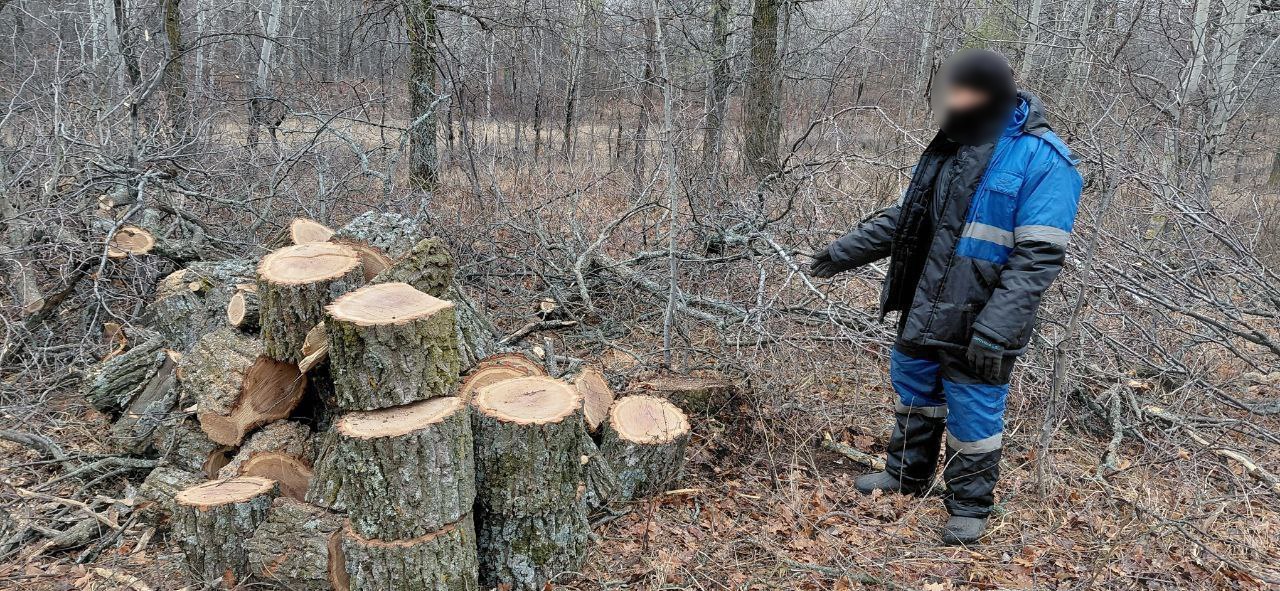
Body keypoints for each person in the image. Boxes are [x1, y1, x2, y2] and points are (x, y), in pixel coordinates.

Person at [808, 49, 1083, 545]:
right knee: (915, 388)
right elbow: (911, 219)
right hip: (927, 302)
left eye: (965, 91)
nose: (954, 100)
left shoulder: (1044, 158)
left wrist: (997, 327)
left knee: (974, 410)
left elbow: (1038, 258)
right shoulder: (951, 144)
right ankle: (906, 477)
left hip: (983, 316)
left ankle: (969, 506)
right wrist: (842, 251)